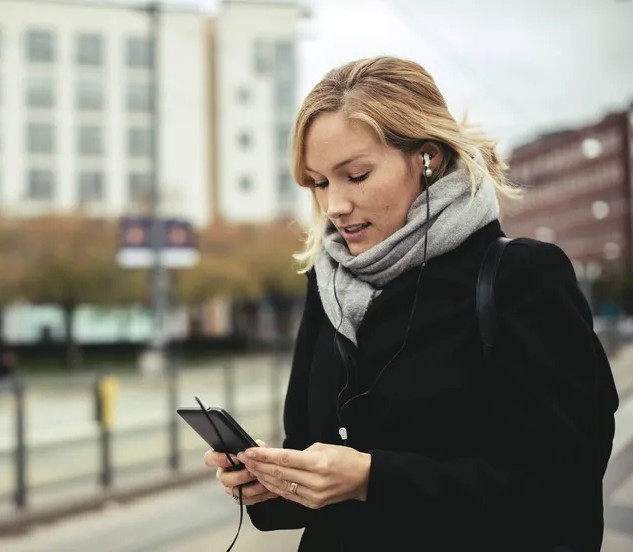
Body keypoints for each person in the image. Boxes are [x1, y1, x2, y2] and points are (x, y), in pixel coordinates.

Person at [204, 56, 619, 551]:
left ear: (429, 159)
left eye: (355, 175)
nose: (334, 205)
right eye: (319, 183)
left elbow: (560, 489)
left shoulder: (522, 278)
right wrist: (272, 481)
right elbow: (313, 467)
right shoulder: (327, 285)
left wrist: (371, 479)